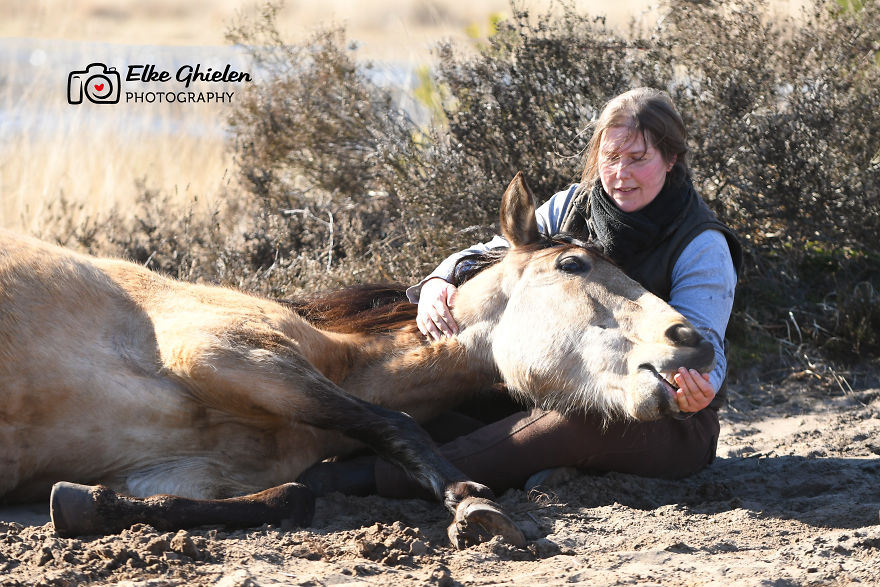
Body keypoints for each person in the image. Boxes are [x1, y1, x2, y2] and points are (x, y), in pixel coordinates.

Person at [300, 87, 742, 498]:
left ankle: (360, 479)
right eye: (610, 157)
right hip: (562, 388)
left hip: (670, 419)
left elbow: (704, 346)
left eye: (638, 158)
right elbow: (498, 251)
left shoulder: (701, 244)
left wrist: (695, 390)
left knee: (573, 425)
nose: (621, 174)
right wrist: (439, 280)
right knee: (465, 399)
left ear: (671, 159)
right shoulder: (574, 205)